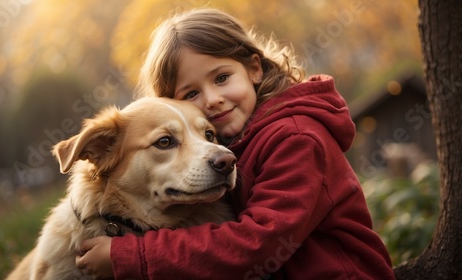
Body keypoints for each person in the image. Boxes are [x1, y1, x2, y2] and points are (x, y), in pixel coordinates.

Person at [75, 8, 395, 279]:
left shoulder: (296, 137)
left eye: (221, 78)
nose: (213, 100)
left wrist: (134, 256)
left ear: (253, 69)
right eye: (191, 94)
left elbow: (257, 243)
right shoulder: (226, 139)